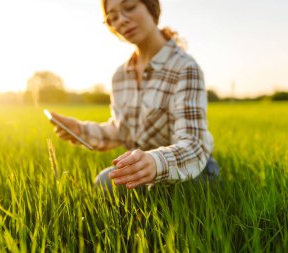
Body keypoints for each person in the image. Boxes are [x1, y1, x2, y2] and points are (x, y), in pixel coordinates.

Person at [49, 0, 219, 192]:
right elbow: (121, 130)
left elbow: (194, 144)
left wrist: (155, 162)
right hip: (142, 169)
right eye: (112, 18)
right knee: (105, 183)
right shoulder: (120, 76)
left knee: (146, 190)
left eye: (129, 7)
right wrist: (80, 130)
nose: (121, 20)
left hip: (189, 168)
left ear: (151, 7)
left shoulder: (185, 68)